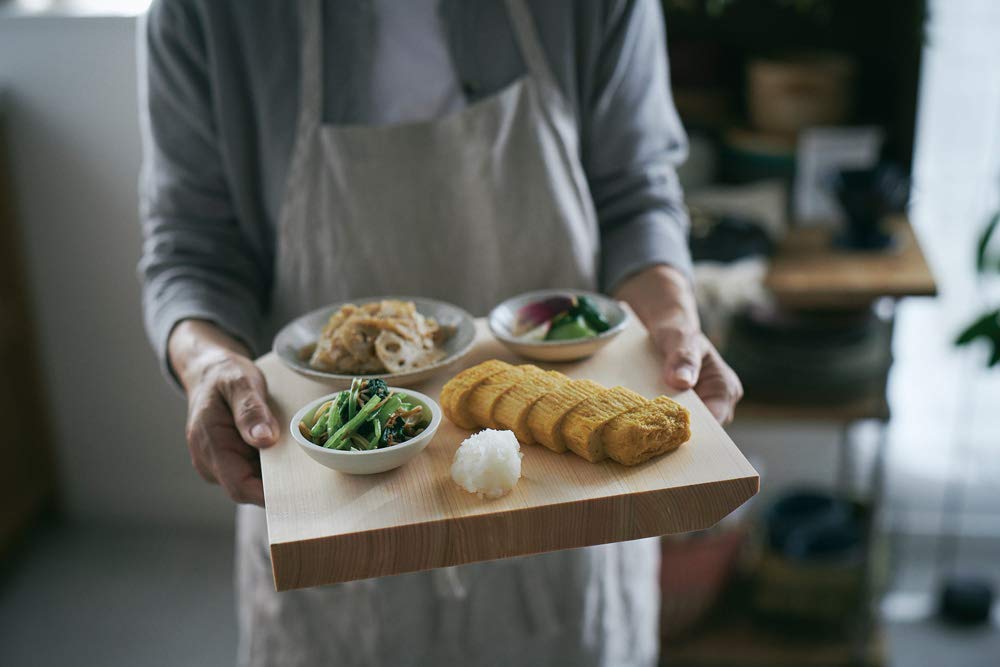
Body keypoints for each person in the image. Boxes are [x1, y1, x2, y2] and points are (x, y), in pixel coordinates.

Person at [138, 1, 743, 665]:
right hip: (335, 515)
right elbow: (191, 253)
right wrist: (208, 363)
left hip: (568, 514)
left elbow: (636, 195)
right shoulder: (200, 14)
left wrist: (673, 318)